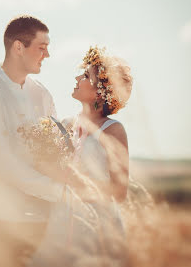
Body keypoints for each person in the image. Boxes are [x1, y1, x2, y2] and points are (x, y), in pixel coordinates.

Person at [0, 15, 65, 267]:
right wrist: (56, 191)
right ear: (18, 47)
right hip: (2, 218)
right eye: (41, 48)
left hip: (42, 217)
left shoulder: (43, 95)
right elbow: (0, 161)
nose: (47, 55)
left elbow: (55, 152)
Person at [29, 46, 133, 266]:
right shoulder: (66, 125)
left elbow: (119, 192)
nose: (77, 77)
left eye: (86, 75)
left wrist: (73, 179)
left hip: (98, 226)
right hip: (61, 220)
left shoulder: (113, 130)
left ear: (100, 91)